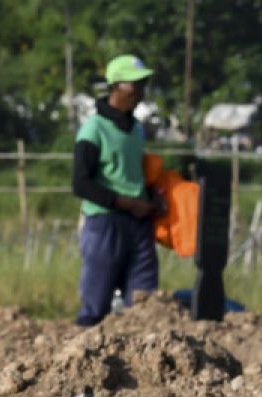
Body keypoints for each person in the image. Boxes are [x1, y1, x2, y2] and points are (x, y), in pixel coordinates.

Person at [71, 54, 163, 326]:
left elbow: (133, 173)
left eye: (143, 84)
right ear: (116, 87)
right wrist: (125, 203)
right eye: (134, 85)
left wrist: (148, 197)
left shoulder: (137, 130)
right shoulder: (93, 130)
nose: (140, 91)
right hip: (104, 222)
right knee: (96, 304)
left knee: (145, 301)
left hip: (138, 222)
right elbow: (81, 183)